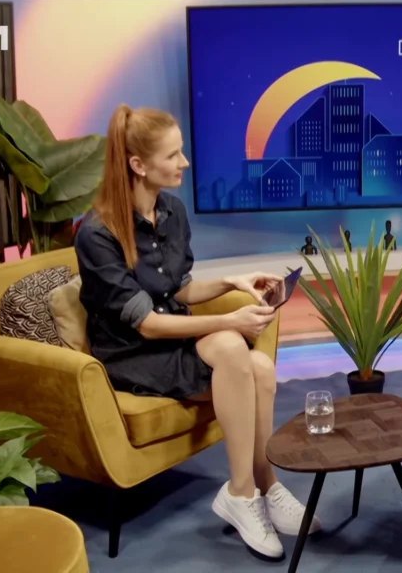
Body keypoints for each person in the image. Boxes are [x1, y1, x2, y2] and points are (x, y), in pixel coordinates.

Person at [74, 104, 318, 559]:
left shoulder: (172, 211)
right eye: (173, 155)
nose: (184, 163)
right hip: (131, 353)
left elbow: (179, 289)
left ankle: (265, 485)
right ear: (138, 165)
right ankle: (241, 493)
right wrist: (230, 320)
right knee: (230, 343)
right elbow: (147, 324)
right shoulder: (97, 234)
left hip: (172, 338)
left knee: (261, 367)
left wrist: (233, 282)